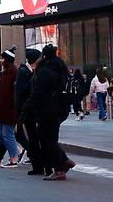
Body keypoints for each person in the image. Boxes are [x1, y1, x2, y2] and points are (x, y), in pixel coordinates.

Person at [22, 44, 75, 181]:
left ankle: (60, 168)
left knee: (46, 140)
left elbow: (37, 93)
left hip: (48, 110)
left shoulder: (45, 71)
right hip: (61, 109)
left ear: (44, 56)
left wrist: (26, 109)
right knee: (51, 138)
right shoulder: (60, 68)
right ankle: (63, 161)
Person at [17, 47, 49, 176]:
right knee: (34, 139)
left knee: (36, 138)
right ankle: (38, 166)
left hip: (34, 110)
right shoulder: (24, 72)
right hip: (29, 110)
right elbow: (21, 92)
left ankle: (39, 165)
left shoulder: (34, 71)